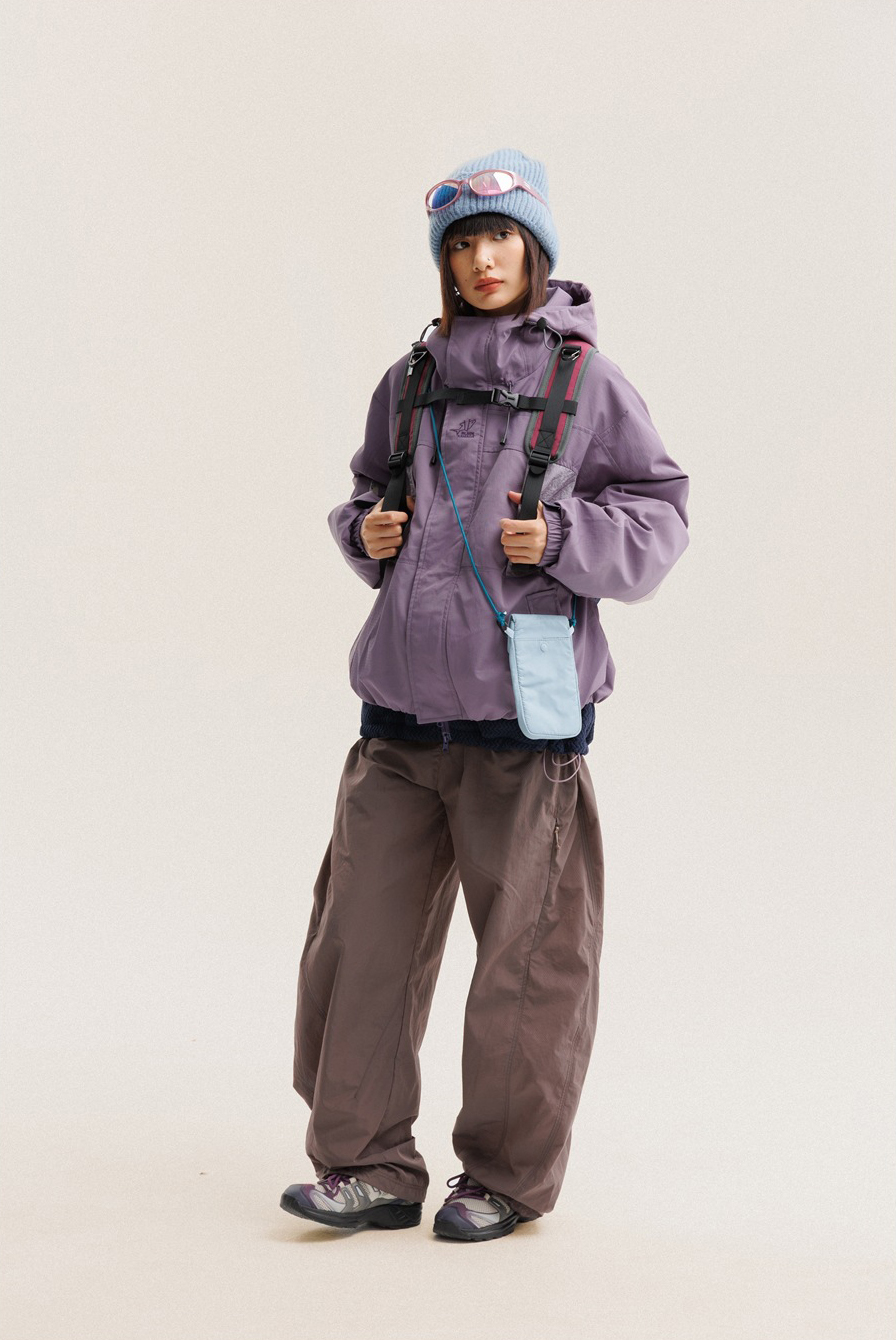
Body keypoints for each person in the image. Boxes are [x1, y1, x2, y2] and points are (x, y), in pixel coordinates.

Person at [281, 148, 690, 1243]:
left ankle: (502, 1178)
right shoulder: (410, 377)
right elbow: (367, 492)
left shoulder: (585, 380)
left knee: (528, 965)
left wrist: (561, 536)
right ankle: (366, 1164)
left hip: (524, 727)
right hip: (398, 721)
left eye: (499, 236)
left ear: (535, 246)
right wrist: (364, 531)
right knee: (358, 949)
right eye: (460, 243)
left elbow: (660, 517)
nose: (480, 259)